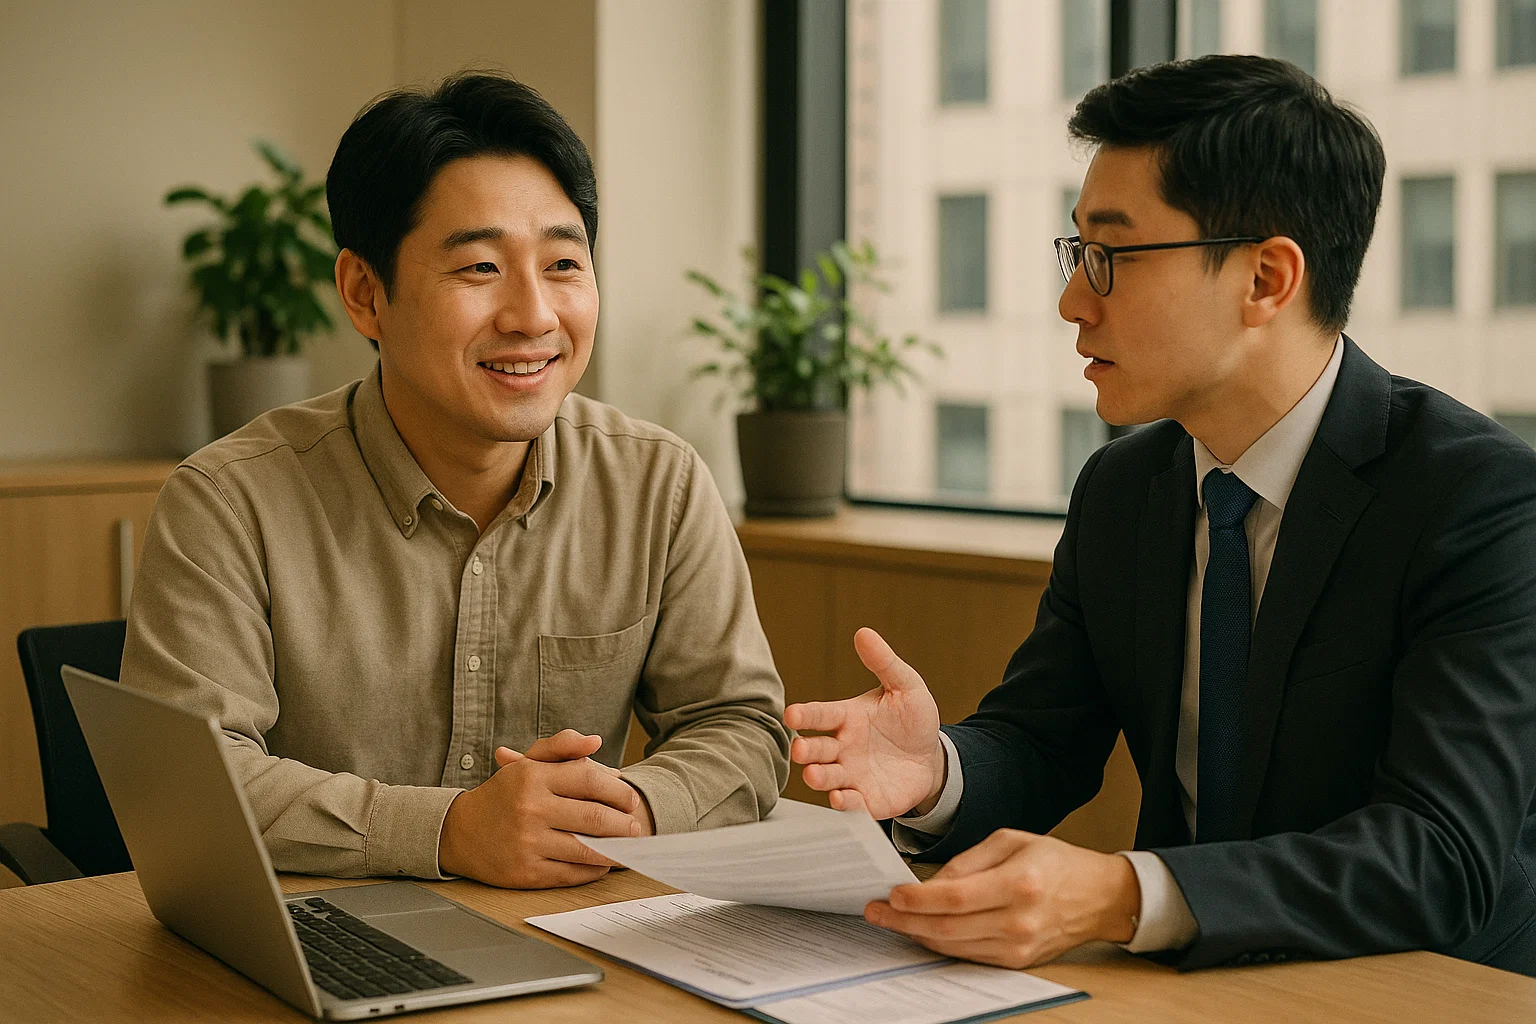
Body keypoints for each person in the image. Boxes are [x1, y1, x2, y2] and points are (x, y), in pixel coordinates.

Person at [786, 54, 1536, 975]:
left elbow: (1441, 857)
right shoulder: (1124, 490)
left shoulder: (1479, 501)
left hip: (1426, 989)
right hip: (1185, 989)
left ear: (1266, 278)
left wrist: (1119, 892)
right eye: (1076, 253)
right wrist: (936, 772)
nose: (1072, 302)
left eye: (1112, 257)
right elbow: (1043, 741)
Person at [121, 73, 790, 889]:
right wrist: (447, 832)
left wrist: (635, 810)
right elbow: (192, 783)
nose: (534, 316)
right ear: (365, 294)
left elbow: (740, 725)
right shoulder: (231, 501)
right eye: (479, 268)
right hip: (317, 941)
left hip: (573, 938)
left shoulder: (659, 484)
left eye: (563, 264)